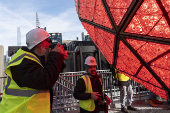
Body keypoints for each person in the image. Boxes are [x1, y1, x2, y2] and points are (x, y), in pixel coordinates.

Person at [0, 28, 68, 113]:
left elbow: (49, 72)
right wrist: (56, 56)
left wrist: (59, 59)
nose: (50, 50)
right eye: (48, 48)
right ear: (40, 49)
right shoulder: (22, 63)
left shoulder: (33, 60)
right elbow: (46, 80)